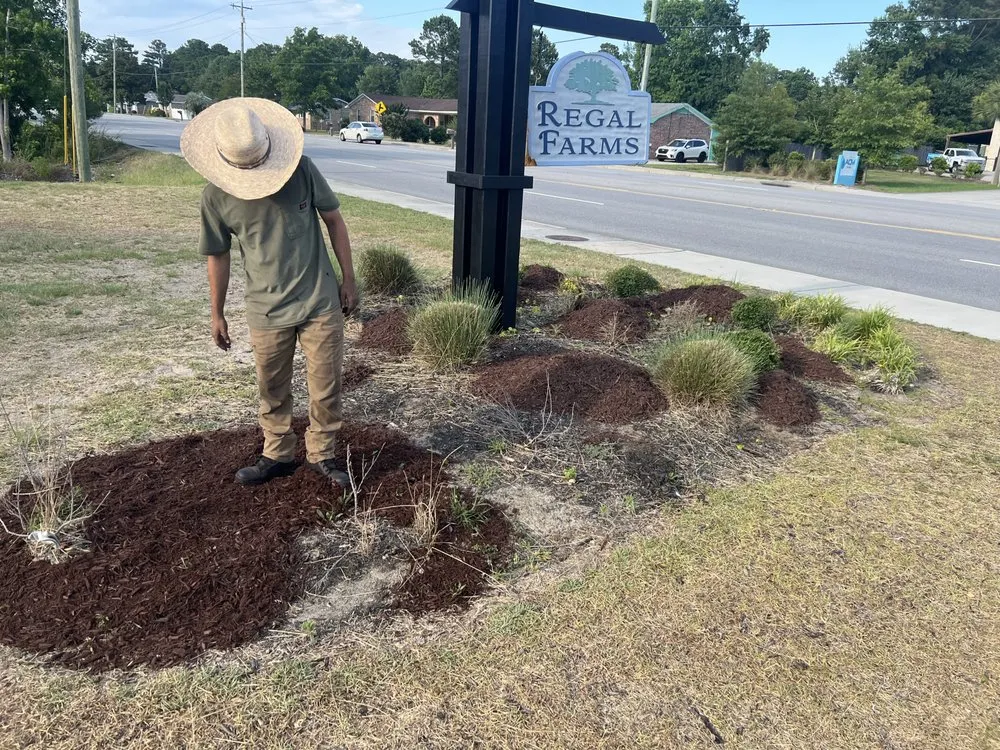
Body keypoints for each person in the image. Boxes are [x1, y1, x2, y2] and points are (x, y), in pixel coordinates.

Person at [180, 98, 359, 487]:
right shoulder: (215, 197)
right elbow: (218, 255)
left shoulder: (302, 170)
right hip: (265, 307)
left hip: (319, 301)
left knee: (325, 384)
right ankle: (277, 453)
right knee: (271, 388)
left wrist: (348, 278)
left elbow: (334, 220)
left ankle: (322, 455)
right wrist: (216, 313)